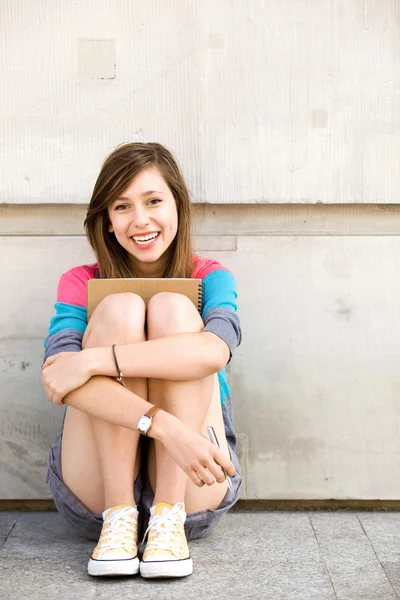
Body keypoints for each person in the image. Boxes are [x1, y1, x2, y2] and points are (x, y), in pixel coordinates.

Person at [41, 142, 242, 579]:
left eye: (153, 201)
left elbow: (214, 350)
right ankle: (120, 517)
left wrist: (95, 360)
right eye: (123, 207)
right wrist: (165, 427)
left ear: (177, 206)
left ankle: (166, 518)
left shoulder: (211, 277)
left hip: (193, 486)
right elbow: (58, 378)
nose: (141, 220)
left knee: (173, 306)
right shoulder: (80, 282)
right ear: (108, 222)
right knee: (119, 307)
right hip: (95, 491)